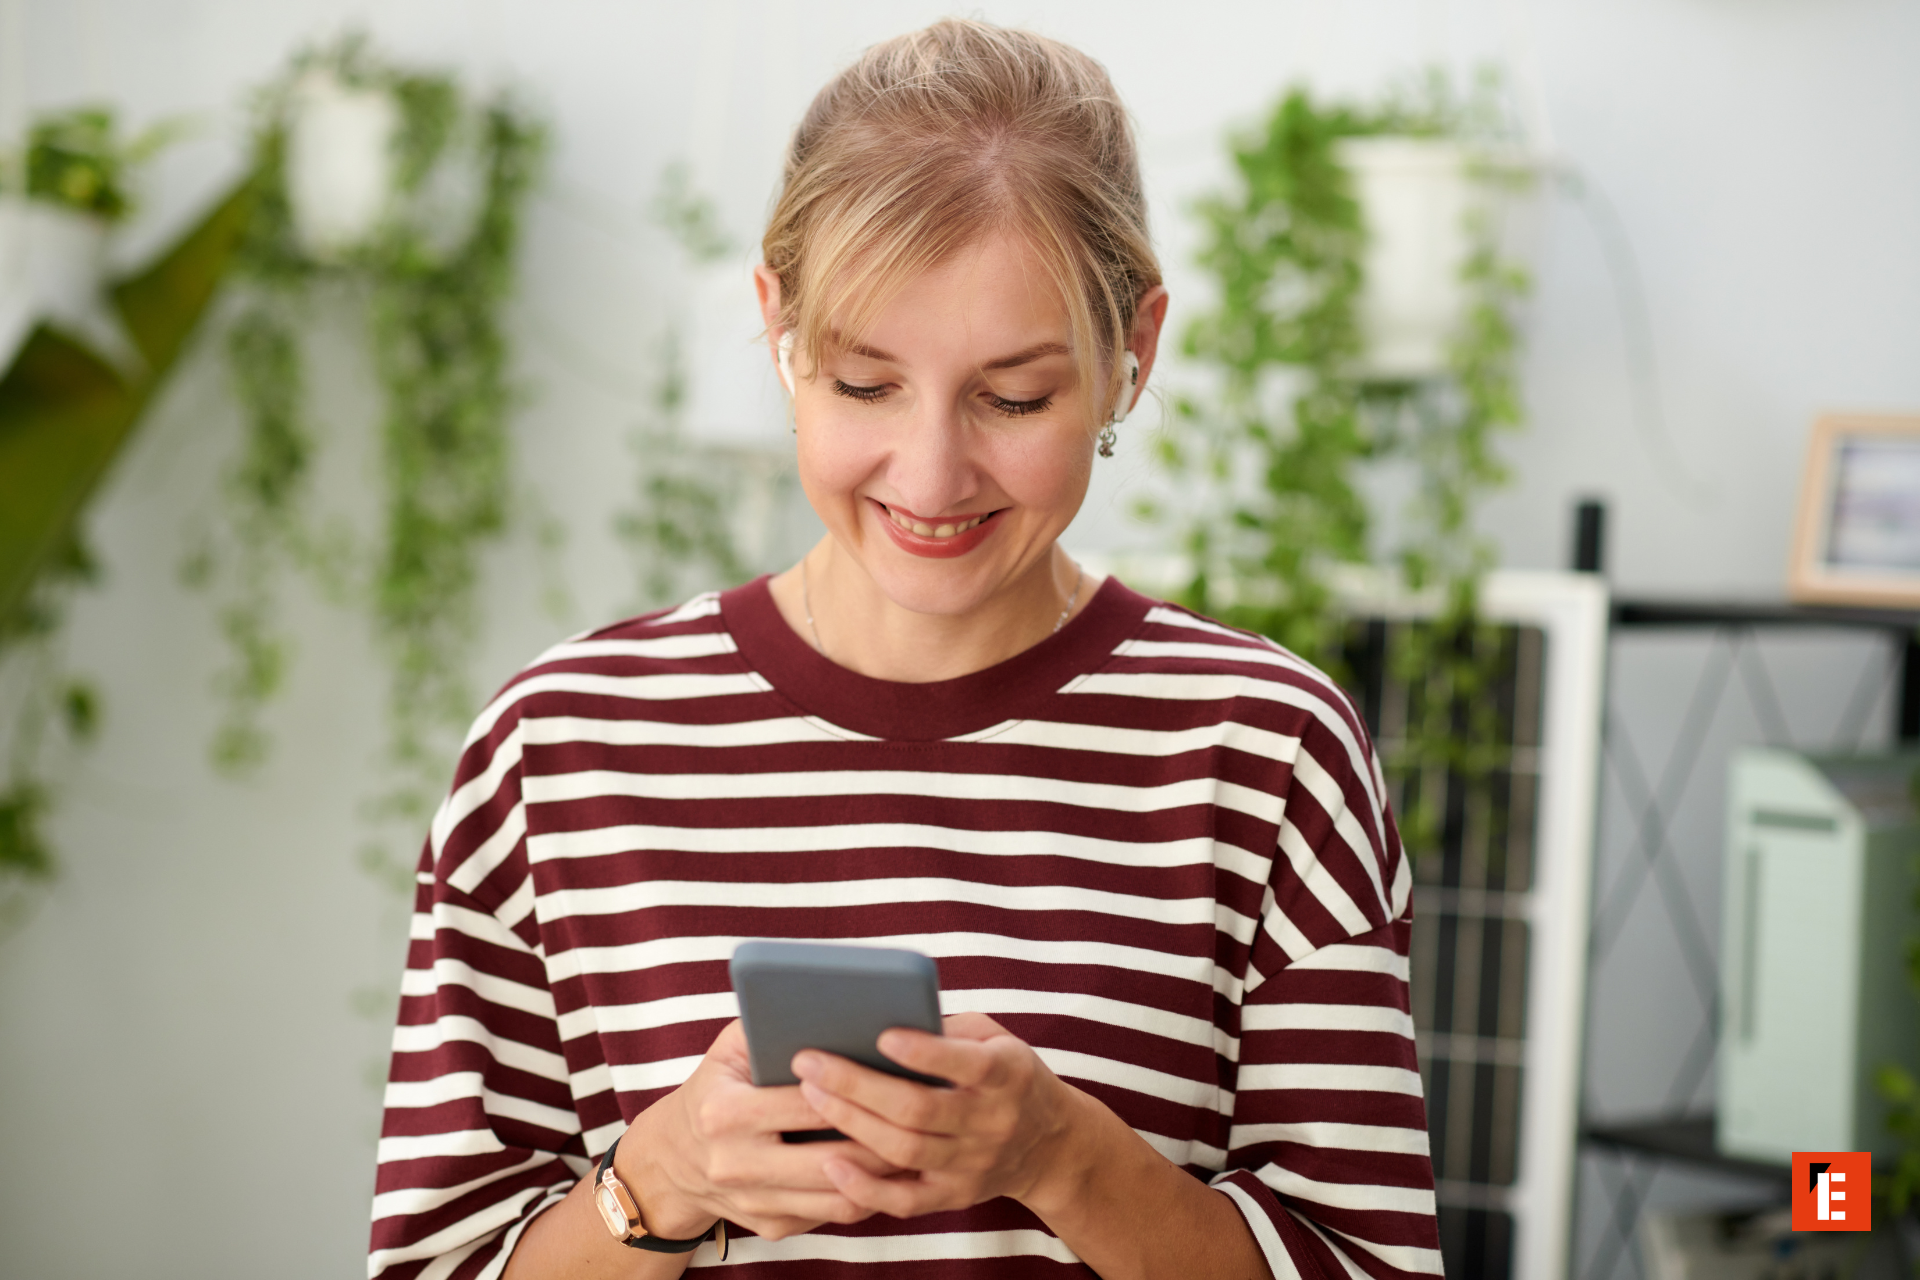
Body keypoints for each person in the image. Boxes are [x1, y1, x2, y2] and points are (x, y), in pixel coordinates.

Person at [369, 18, 1441, 1280]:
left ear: (1134, 352)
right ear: (778, 328)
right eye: (865, 384)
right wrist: (660, 1181)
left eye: (1016, 395)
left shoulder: (1265, 753)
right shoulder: (559, 750)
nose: (931, 474)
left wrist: (1060, 1153)